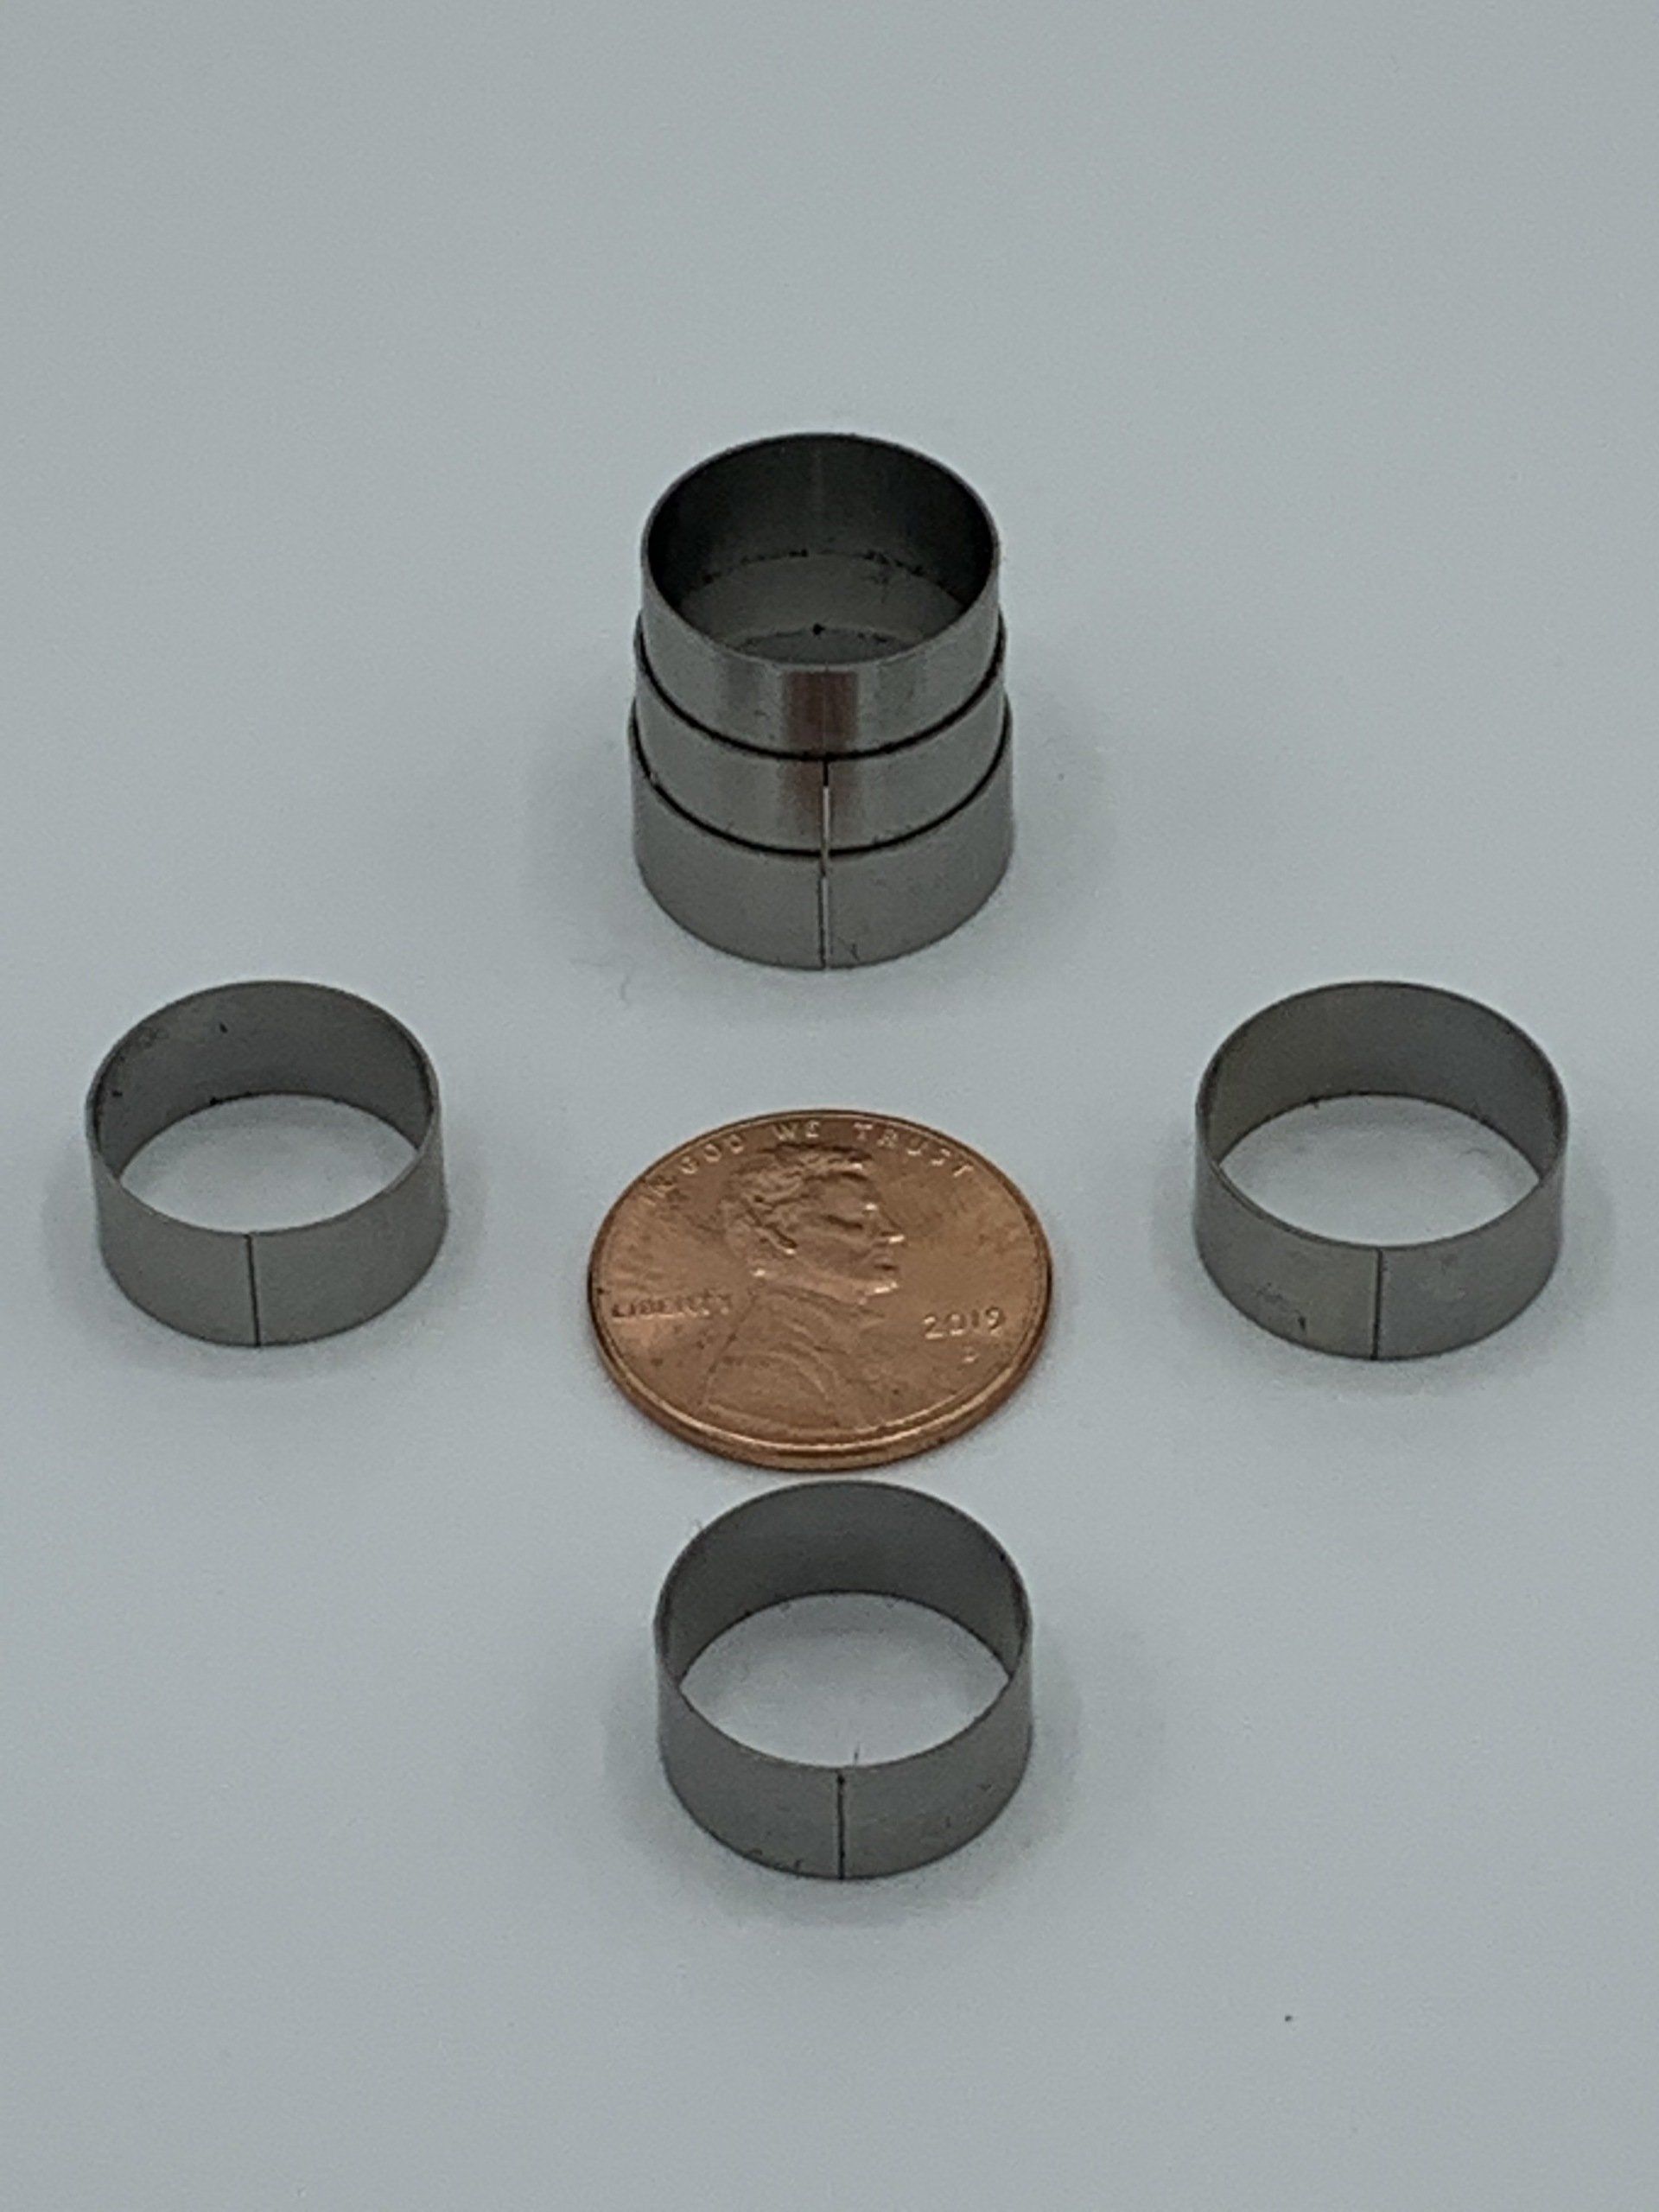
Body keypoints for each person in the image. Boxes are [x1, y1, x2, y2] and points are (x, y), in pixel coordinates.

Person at [701, 1146, 906, 1433]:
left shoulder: (843, 1340)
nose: (892, 1233)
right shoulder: (768, 1371)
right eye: (860, 1218)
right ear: (782, 1231)